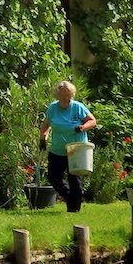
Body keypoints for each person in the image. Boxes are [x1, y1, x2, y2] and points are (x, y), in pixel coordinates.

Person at [40, 80, 96, 212]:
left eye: (69, 95)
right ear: (57, 96)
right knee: (54, 178)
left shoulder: (78, 107)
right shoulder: (53, 108)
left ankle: (74, 210)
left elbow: (92, 121)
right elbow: (46, 124)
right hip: (58, 150)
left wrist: (82, 127)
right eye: (64, 96)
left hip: (77, 149)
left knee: (75, 181)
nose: (67, 98)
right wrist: (42, 137)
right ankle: (69, 197)